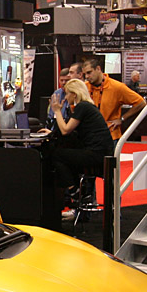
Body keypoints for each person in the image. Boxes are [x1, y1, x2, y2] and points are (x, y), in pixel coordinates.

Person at [49, 79, 113, 207]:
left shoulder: (82, 107)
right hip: (101, 153)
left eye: (67, 94)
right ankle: (77, 191)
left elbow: (66, 130)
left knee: (55, 155)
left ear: (75, 94)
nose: (66, 97)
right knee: (66, 156)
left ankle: (74, 191)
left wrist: (56, 111)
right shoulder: (88, 107)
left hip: (96, 154)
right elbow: (68, 130)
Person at [81, 55, 145, 142]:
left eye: (89, 72)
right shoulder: (84, 87)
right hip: (88, 136)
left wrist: (122, 118)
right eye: (85, 74)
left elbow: (141, 103)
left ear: (98, 69)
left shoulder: (116, 87)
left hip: (110, 136)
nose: (87, 77)